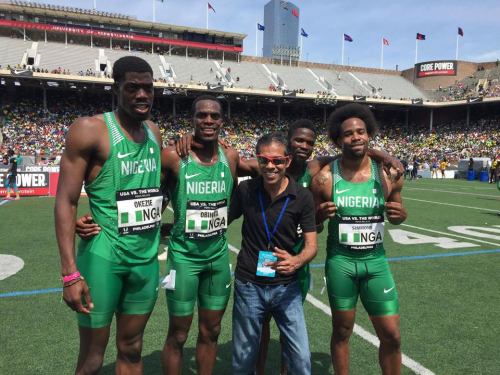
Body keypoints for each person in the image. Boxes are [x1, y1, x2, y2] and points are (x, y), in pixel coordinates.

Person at [54, 56, 163, 375]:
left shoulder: (155, 133)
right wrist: (70, 273)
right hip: (104, 258)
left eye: (148, 87)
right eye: (133, 87)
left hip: (145, 262)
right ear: (116, 89)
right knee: (92, 359)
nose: (142, 95)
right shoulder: (90, 130)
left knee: (132, 350)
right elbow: (65, 200)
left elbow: (156, 190)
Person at [311, 103, 407, 375]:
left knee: (392, 335)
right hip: (341, 262)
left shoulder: (389, 174)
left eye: (361, 132)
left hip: (376, 263)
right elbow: (314, 227)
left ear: (369, 135)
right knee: (342, 330)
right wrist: (319, 215)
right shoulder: (325, 179)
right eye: (349, 133)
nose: (356, 137)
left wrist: (402, 214)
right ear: (338, 140)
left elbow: (398, 214)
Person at [160, 95, 240, 375]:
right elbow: (147, 193)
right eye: (201, 115)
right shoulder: (173, 156)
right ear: (192, 120)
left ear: (222, 121)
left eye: (214, 116)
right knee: (178, 335)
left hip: (218, 259)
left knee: (212, 330)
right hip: (184, 260)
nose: (208, 120)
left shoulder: (231, 157)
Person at [230, 132, 317, 375]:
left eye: (277, 161)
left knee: (300, 359)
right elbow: (222, 219)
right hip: (249, 284)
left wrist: (296, 260)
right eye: (264, 160)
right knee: (243, 360)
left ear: (288, 161)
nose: (271, 166)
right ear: (257, 160)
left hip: (286, 287)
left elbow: (312, 245)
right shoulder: (246, 190)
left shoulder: (302, 196)